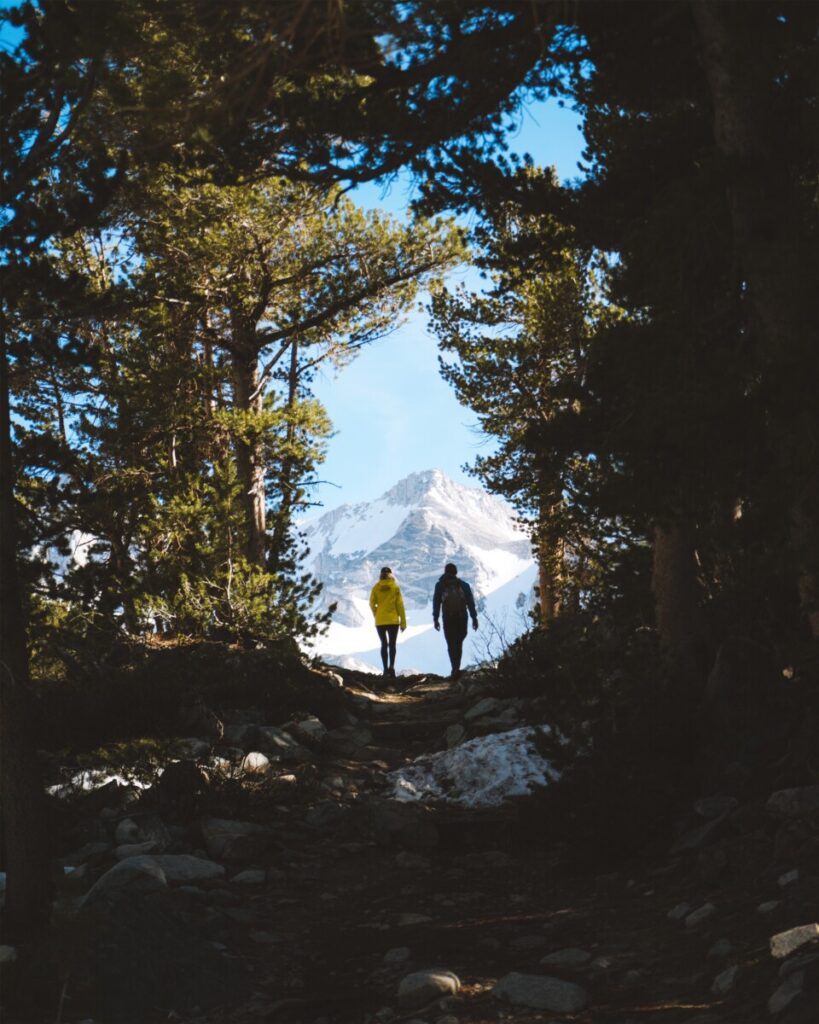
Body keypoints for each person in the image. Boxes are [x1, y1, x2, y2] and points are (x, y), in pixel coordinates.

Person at [432, 562, 478, 680]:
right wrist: (474, 618)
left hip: (448, 618)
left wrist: (435, 618)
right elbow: (470, 603)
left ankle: (454, 668)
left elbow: (436, 602)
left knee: (451, 644)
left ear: (445, 572)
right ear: (456, 572)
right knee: (459, 643)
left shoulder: (440, 585)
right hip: (462, 617)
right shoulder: (464, 585)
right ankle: (457, 667)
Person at [369, 566, 407, 678]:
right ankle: (392, 667)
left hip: (380, 621)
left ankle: (385, 670)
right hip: (393, 620)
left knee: (384, 645)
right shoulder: (395, 587)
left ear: (380, 574)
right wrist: (403, 622)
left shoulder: (376, 587)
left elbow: (371, 603)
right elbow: (399, 605)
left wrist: (376, 613)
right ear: (391, 574)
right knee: (392, 644)